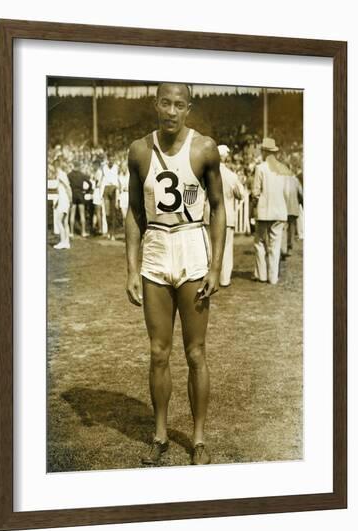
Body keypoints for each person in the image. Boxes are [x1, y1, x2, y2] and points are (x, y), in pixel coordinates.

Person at [125, 82, 226, 466]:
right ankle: (160, 434)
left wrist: (215, 266)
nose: (171, 111)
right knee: (158, 353)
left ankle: (198, 439)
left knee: (196, 352)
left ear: (189, 108)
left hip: (191, 247)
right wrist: (131, 268)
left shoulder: (203, 148)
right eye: (165, 102)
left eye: (179, 104)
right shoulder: (138, 150)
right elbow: (134, 211)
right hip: (155, 249)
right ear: (156, 104)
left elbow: (218, 206)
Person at [251, 137, 288, 284]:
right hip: (279, 211)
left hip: (264, 211)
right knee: (275, 244)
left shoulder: (260, 168)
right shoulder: (282, 168)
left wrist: (255, 200)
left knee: (259, 243)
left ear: (265, 152)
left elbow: (255, 191)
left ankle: (262, 275)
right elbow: (285, 191)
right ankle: (273, 277)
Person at [217, 145, 244, 287]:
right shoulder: (231, 175)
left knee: (210, 247)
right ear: (226, 157)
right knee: (226, 248)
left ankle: (211, 277)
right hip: (227, 215)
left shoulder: (208, 174)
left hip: (210, 215)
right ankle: (224, 279)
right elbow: (241, 194)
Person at [68, 162, 91, 237]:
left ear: (73, 166)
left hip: (73, 194)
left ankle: (71, 232)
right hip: (80, 194)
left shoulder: (69, 175)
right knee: (82, 214)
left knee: (72, 214)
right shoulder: (82, 175)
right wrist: (86, 191)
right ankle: (83, 232)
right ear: (79, 166)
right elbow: (90, 184)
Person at [53, 158, 72, 249]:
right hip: (63, 200)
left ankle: (62, 242)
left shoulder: (61, 175)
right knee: (65, 222)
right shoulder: (61, 174)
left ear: (56, 166)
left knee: (58, 220)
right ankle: (66, 242)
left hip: (64, 201)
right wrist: (57, 202)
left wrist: (70, 199)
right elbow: (62, 190)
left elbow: (68, 187)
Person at [101, 156, 120, 240]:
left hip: (114, 188)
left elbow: (118, 179)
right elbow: (102, 179)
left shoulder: (116, 167)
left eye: (112, 160)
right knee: (107, 213)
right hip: (106, 189)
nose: (111, 162)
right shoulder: (104, 167)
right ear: (107, 160)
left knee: (113, 213)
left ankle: (113, 233)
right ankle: (109, 232)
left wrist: (118, 190)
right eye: (110, 160)